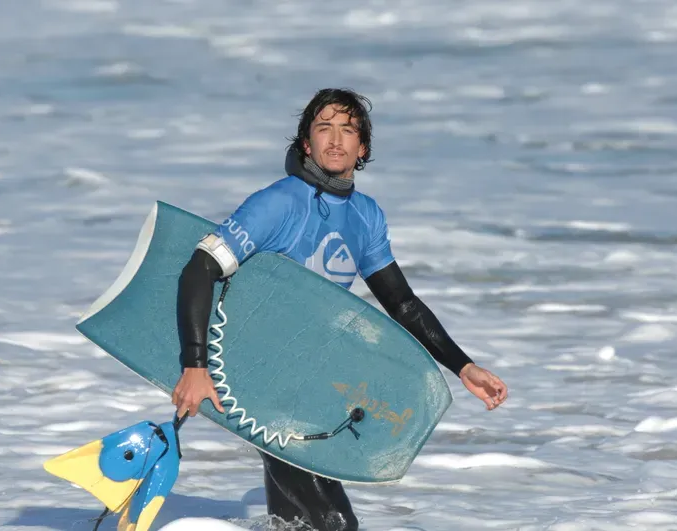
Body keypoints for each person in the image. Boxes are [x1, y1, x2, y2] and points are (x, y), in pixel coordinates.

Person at [171, 88, 508, 531]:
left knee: (294, 521)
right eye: (323, 128)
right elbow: (200, 269)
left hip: (308, 381)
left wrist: (462, 366)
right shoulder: (278, 203)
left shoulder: (365, 216)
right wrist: (195, 367)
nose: (335, 139)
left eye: (347, 130)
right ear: (306, 144)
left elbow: (402, 303)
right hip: (253, 374)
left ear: (362, 147)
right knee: (336, 523)